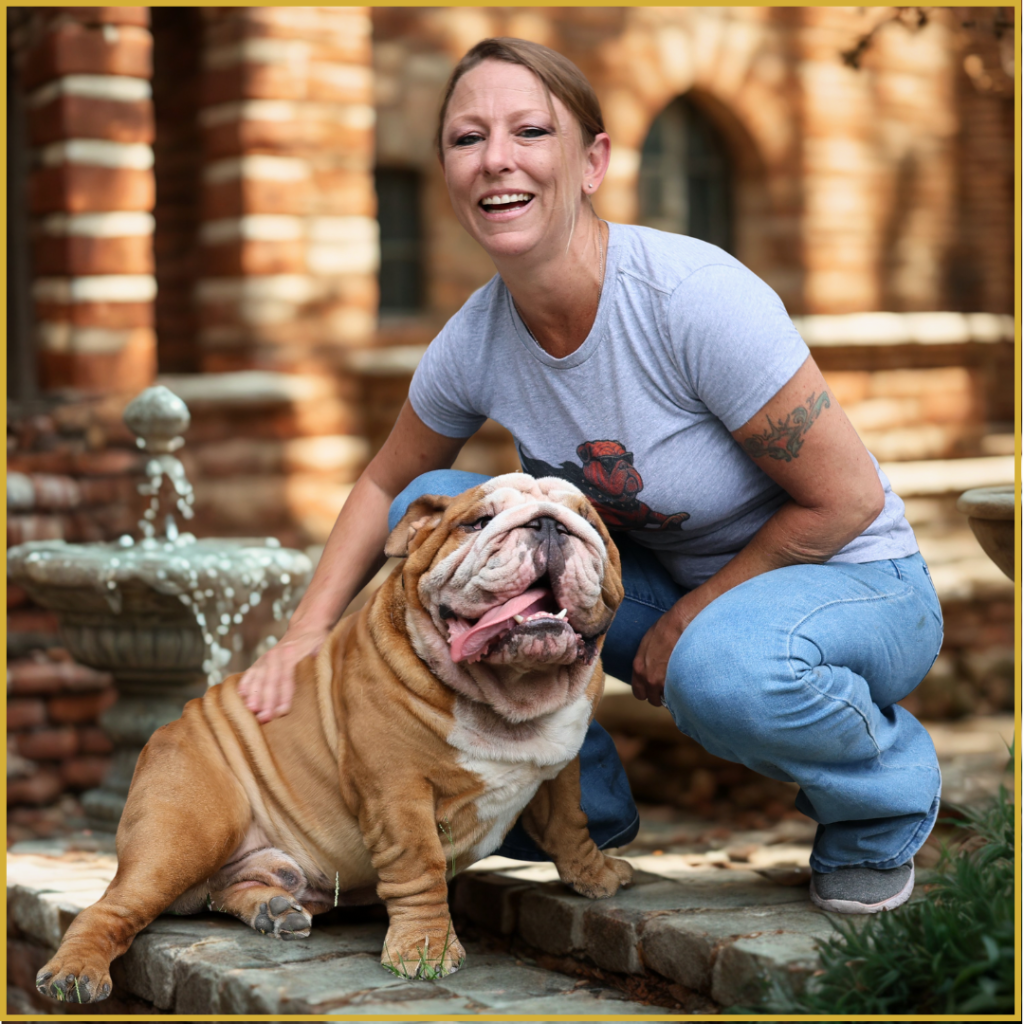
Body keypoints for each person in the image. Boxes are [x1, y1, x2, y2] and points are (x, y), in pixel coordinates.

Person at [239, 37, 943, 915]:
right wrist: (308, 632)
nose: (497, 158)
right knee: (441, 516)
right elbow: (388, 486)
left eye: (530, 131)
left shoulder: (689, 299)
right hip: (672, 586)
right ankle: (580, 807)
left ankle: (884, 798)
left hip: (856, 580)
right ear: (449, 172)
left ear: (592, 162)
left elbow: (849, 500)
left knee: (717, 670)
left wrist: (689, 618)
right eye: (467, 139)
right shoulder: (474, 341)